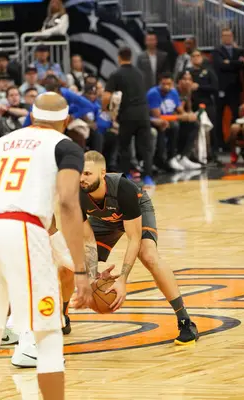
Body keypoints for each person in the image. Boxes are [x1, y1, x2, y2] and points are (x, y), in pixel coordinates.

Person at [0, 91, 91, 400]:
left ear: (30, 117)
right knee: (49, 337)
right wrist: (81, 271)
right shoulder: (65, 146)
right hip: (21, 229)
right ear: (66, 122)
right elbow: (69, 203)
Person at [76, 150, 199, 343]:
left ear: (102, 173)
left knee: (148, 255)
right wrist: (92, 276)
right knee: (68, 263)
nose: (82, 178)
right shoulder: (76, 194)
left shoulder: (123, 188)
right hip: (105, 220)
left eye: (87, 173)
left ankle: (185, 320)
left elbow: (133, 238)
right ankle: (61, 318)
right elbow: (88, 240)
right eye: (80, 173)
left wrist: (123, 279)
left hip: (137, 210)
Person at [104, 47, 154, 186]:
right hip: (143, 113)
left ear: (119, 57)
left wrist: (107, 110)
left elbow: (107, 96)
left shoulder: (116, 74)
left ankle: (126, 177)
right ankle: (148, 177)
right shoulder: (140, 73)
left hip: (127, 114)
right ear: (131, 57)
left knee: (124, 146)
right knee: (145, 147)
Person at [148, 72, 202, 171]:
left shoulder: (173, 92)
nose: (166, 87)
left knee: (194, 124)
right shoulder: (153, 93)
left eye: (169, 84)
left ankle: (183, 157)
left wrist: (189, 116)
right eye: (163, 84)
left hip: (171, 121)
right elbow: (158, 117)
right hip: (154, 122)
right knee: (174, 125)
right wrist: (181, 117)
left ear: (172, 84)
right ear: (159, 83)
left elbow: (180, 111)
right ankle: (170, 158)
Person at [213, 28, 244, 158]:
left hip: (235, 87)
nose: (227, 38)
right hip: (221, 88)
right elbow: (220, 65)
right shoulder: (217, 51)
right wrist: (234, 63)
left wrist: (229, 62)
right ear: (221, 37)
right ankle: (219, 143)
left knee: (236, 115)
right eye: (224, 36)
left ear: (233, 37)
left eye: (229, 36)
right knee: (218, 116)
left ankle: (234, 141)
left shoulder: (239, 50)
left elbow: (242, 65)